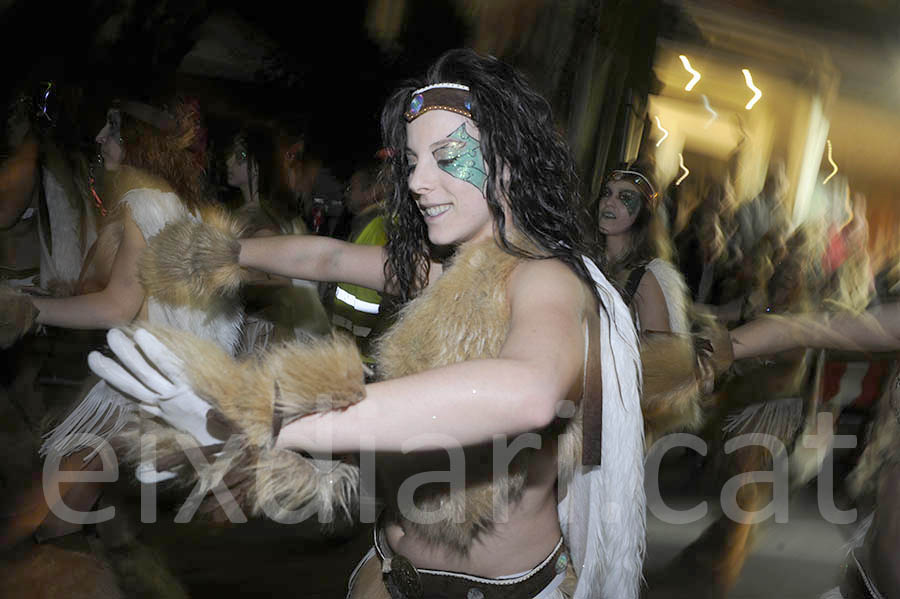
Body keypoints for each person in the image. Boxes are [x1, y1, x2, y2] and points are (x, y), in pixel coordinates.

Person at [88, 48, 648, 599]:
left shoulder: (545, 278)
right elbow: (326, 259)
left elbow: (529, 392)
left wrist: (263, 414)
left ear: (506, 161)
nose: (418, 182)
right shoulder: (440, 273)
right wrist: (226, 253)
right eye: (411, 162)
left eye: (447, 158)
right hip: (385, 568)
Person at [0, 96, 244, 548]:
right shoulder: (176, 200)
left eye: (111, 130)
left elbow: (118, 305)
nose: (100, 139)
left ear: (136, 140)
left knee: (51, 510)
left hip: (148, 377)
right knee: (70, 500)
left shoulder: (142, 201)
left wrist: (30, 310)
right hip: (174, 372)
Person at [222, 123, 331, 350]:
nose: (229, 161)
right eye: (230, 154)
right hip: (260, 326)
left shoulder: (260, 218)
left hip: (267, 336)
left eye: (240, 155)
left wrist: (226, 281)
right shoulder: (258, 213)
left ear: (257, 165)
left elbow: (282, 283)